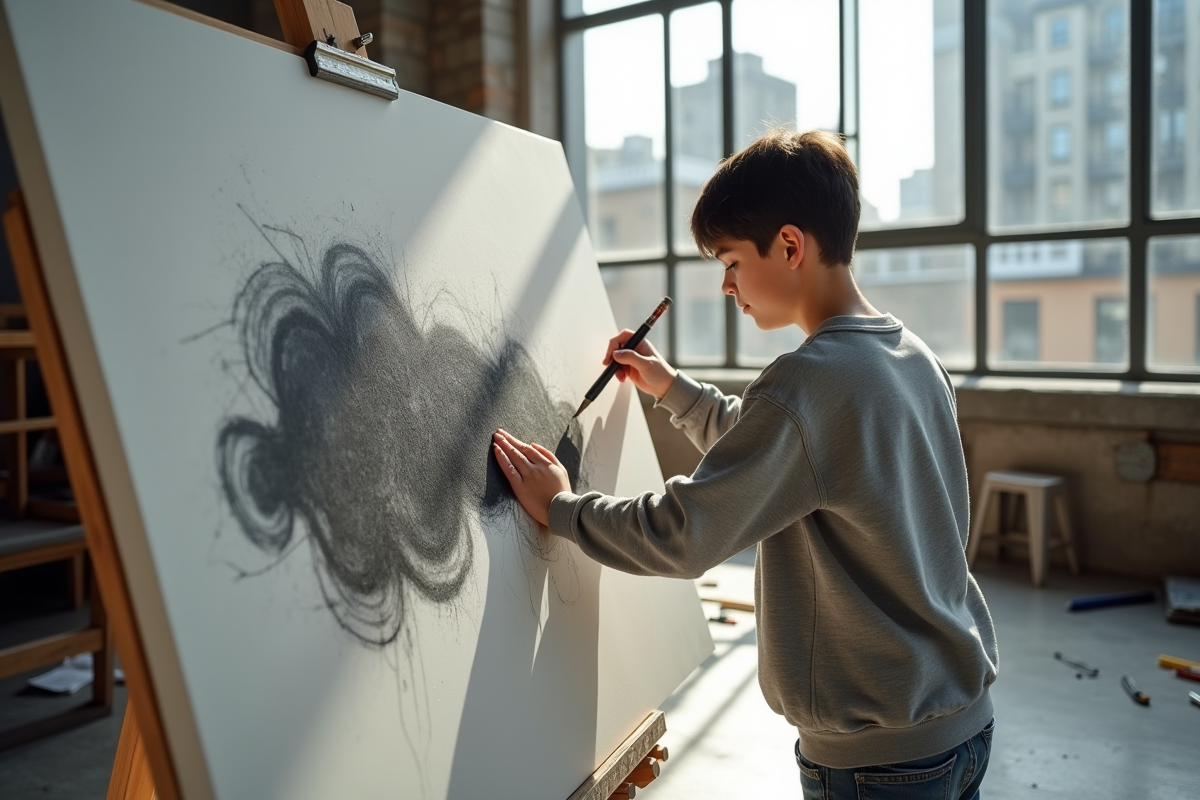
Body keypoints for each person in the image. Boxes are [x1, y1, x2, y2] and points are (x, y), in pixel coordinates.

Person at [491, 129, 998, 800]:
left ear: (790, 246)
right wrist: (671, 388)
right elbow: (783, 452)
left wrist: (561, 508)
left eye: (730, 261)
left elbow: (686, 534)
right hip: (961, 729)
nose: (727, 286)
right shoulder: (908, 357)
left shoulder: (807, 383)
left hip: (878, 762)